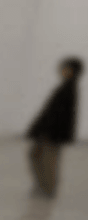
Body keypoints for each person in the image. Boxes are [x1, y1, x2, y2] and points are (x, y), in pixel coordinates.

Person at [26, 56, 82, 198]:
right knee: (36, 155)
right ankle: (43, 186)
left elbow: (60, 115)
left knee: (48, 160)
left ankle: (47, 189)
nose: (61, 70)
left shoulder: (68, 89)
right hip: (48, 131)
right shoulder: (65, 87)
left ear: (71, 70)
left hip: (52, 133)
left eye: (64, 67)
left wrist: (48, 132)